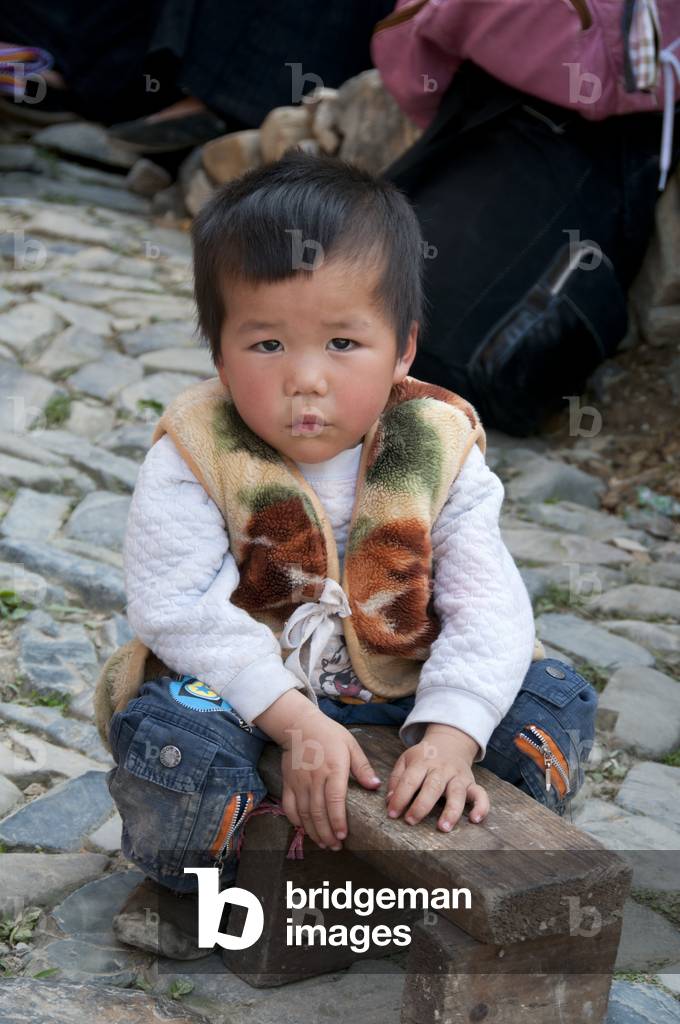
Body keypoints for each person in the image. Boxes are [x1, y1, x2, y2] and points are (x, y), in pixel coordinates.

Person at [96, 150, 597, 958]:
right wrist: (293, 721)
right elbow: (177, 605)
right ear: (218, 352)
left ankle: (441, 849)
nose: (306, 379)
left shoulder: (437, 447)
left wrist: (453, 733)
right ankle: (202, 881)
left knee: (553, 702)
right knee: (168, 732)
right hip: (250, 700)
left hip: (407, 689)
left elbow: (489, 605)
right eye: (266, 344)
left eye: (341, 342)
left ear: (402, 350)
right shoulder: (196, 450)